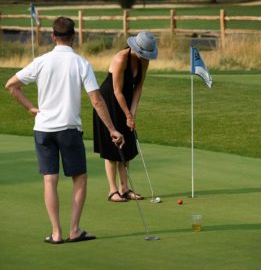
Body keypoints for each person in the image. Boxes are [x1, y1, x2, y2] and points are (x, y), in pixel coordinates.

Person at [5, 17, 124, 244]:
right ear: (74, 37)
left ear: (52, 36)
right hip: (69, 130)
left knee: (50, 180)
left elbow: (11, 85)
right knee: (79, 178)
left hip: (43, 129)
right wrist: (112, 129)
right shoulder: (81, 63)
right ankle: (74, 230)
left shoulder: (41, 61)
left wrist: (31, 108)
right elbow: (96, 100)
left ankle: (56, 233)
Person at [93, 31, 158, 202]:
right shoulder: (121, 58)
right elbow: (116, 91)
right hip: (109, 101)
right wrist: (127, 114)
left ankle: (125, 188)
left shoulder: (144, 60)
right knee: (112, 146)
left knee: (126, 146)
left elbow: (138, 87)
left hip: (126, 100)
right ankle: (112, 190)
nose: (145, 56)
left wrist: (132, 113)